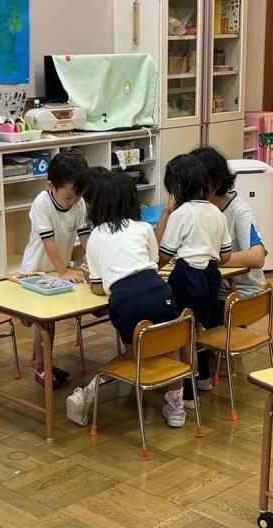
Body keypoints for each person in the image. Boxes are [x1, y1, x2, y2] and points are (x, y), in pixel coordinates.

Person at [67, 169, 180, 427]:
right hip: (159, 292)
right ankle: (176, 409)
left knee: (132, 354)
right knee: (170, 347)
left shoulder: (96, 236)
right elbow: (153, 264)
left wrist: (95, 278)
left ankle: (88, 392)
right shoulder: (143, 227)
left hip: (126, 301)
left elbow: (98, 289)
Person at [156, 154, 232, 425]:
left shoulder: (182, 213)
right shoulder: (216, 213)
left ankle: (186, 395)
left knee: (183, 337)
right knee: (197, 328)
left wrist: (151, 269)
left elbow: (164, 255)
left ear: (177, 187)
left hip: (186, 277)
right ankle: (202, 380)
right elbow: (225, 255)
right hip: (211, 278)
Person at [187, 145, 267, 395]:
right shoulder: (198, 208)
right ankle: (189, 368)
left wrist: (216, 259)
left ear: (214, 185)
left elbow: (258, 256)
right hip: (217, 288)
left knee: (190, 309)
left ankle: (195, 374)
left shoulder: (238, 209)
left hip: (242, 295)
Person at [19, 151, 92, 389]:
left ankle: (45, 362)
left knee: (49, 320)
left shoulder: (78, 204)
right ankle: (42, 367)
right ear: (51, 186)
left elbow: (86, 238)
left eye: (78, 196)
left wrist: (95, 263)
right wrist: (64, 272)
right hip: (37, 270)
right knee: (45, 322)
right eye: (69, 196)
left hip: (59, 270)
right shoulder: (42, 203)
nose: (73, 202)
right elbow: (48, 242)